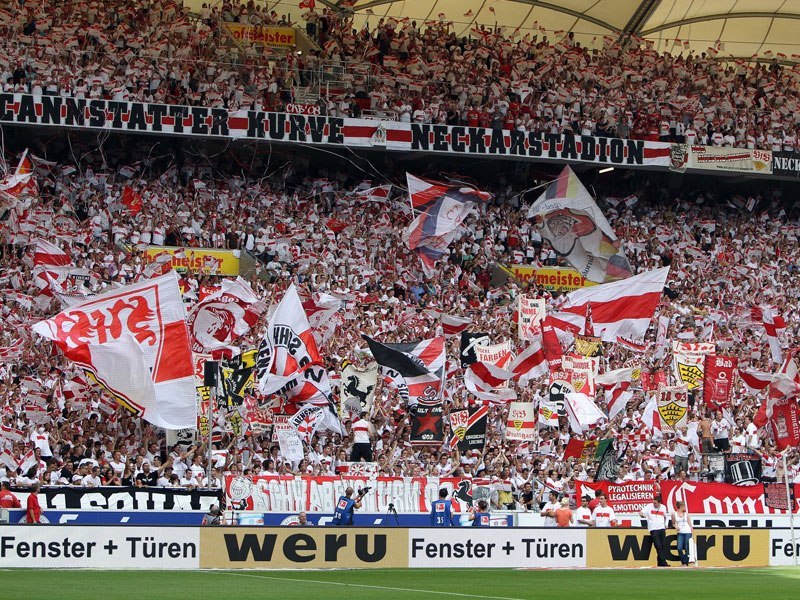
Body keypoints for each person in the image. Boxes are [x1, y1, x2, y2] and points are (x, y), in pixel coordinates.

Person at [641, 495, 670, 567]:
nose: (654, 504)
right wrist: (642, 515)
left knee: (662, 545)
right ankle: (664, 562)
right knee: (658, 545)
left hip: (661, 527)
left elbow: (666, 517)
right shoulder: (649, 506)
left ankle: (660, 562)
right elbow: (641, 512)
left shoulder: (663, 507)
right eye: (653, 503)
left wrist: (665, 524)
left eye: (656, 503)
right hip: (653, 528)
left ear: (659, 503)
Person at [673, 500, 693, 566]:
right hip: (680, 532)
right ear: (681, 506)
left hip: (687, 531)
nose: (685, 507)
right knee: (679, 548)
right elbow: (673, 523)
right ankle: (683, 561)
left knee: (687, 547)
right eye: (684, 506)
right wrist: (676, 527)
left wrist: (691, 531)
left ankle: (685, 563)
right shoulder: (674, 514)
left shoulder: (686, 514)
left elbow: (690, 524)